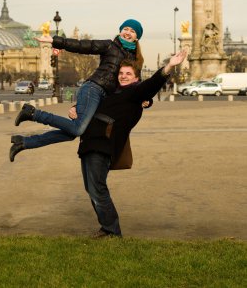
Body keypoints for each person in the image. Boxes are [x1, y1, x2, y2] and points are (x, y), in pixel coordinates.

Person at [11, 51, 185, 237]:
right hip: (89, 143)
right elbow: (90, 108)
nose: (123, 76)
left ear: (136, 79)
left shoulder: (136, 93)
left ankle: (111, 231)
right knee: (92, 188)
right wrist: (76, 109)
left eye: (128, 74)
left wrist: (169, 66)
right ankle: (24, 140)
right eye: (121, 73)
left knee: (97, 188)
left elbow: (151, 86)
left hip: (103, 145)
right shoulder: (112, 94)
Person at [10, 19, 144, 161]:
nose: (128, 32)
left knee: (72, 132)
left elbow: (138, 84)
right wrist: (54, 41)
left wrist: (146, 100)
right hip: (93, 88)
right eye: (126, 29)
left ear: (137, 37)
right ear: (120, 31)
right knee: (78, 129)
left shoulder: (136, 59)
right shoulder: (110, 45)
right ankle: (33, 113)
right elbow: (83, 45)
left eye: (132, 31)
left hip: (103, 98)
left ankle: (24, 142)